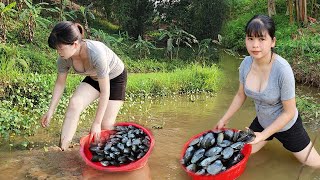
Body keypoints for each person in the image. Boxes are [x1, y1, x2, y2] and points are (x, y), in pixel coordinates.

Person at [215, 15, 320, 168]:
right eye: (250, 38)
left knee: (315, 166)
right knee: (237, 154)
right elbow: (240, 94)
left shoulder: (283, 70)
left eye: (261, 39)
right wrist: (224, 119)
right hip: (262, 122)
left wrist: (264, 135)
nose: (255, 45)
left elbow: (289, 112)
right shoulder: (245, 64)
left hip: (287, 126)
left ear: (273, 42)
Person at [41, 21, 127, 151]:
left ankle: (120, 146)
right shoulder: (64, 58)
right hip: (94, 77)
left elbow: (105, 91)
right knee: (75, 103)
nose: (58, 52)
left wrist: (97, 123)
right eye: (57, 49)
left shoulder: (96, 53)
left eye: (61, 48)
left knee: (105, 125)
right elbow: (60, 83)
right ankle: (63, 149)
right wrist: (51, 110)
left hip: (115, 78)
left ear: (74, 44)